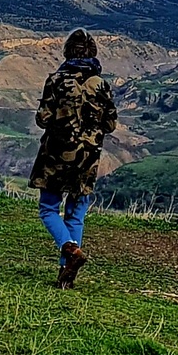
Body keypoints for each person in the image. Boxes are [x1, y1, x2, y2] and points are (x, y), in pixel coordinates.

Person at [29, 29, 118, 289]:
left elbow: (42, 118)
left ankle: (69, 249)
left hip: (57, 154)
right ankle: (65, 276)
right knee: (76, 216)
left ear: (67, 51)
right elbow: (111, 124)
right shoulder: (101, 84)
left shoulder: (56, 80)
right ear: (93, 53)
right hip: (88, 157)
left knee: (48, 209)